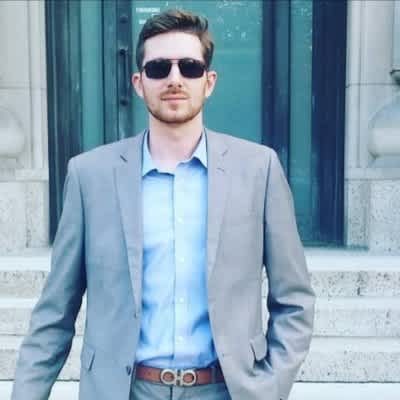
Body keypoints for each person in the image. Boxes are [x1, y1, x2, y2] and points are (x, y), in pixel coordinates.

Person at [12, 9, 315, 400]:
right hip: (127, 390)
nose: (174, 79)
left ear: (209, 82)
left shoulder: (259, 170)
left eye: (189, 67)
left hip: (225, 390)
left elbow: (294, 300)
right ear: (139, 83)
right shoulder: (89, 176)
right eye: (158, 68)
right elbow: (55, 314)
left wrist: (269, 387)